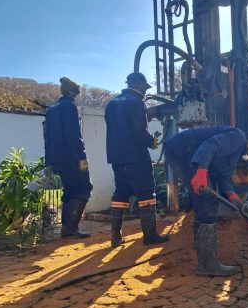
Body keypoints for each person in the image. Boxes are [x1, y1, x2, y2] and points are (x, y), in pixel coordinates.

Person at [164, 126, 248, 276]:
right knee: (207, 201)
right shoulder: (238, 138)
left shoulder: (236, 151)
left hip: (183, 151)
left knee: (204, 201)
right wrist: (200, 173)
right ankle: (206, 263)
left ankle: (201, 247)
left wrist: (233, 196)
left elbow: (223, 171)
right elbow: (209, 146)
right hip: (185, 150)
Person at [104, 72, 167, 247]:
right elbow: (138, 131)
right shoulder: (136, 103)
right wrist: (150, 142)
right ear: (139, 85)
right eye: (144, 88)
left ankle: (115, 237)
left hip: (116, 157)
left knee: (120, 194)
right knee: (147, 193)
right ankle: (150, 236)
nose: (145, 91)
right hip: (136, 157)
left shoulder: (112, 103)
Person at [44, 77, 93, 239]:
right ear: (70, 92)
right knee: (83, 188)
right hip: (71, 157)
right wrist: (81, 157)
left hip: (56, 158)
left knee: (70, 190)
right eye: (76, 93)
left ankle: (67, 227)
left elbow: (47, 137)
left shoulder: (51, 109)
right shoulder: (69, 107)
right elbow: (73, 135)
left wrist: (49, 161)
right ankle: (71, 227)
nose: (76, 96)